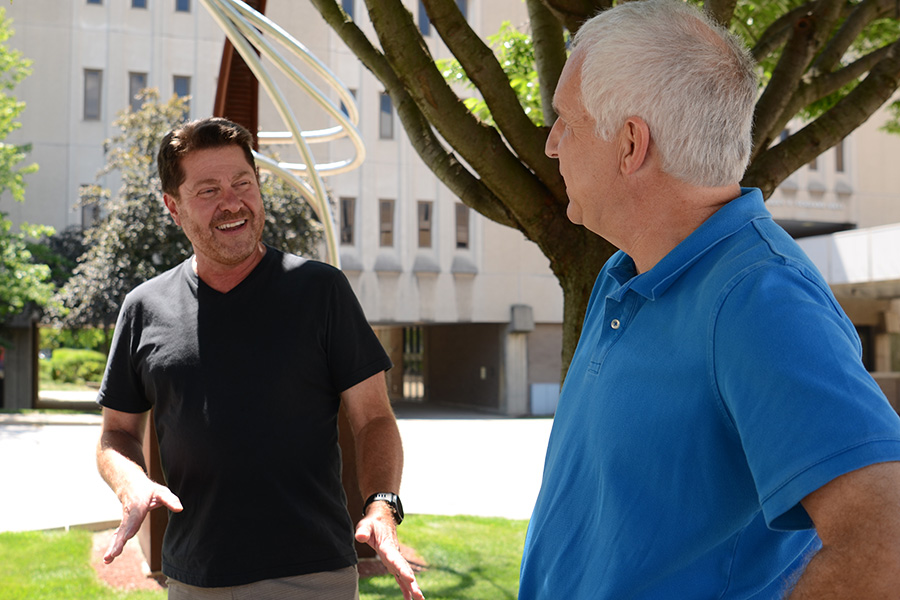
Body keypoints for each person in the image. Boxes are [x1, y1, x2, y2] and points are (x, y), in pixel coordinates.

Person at [519, 1, 900, 598]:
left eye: (566, 120)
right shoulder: (625, 272)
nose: (551, 144)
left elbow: (887, 544)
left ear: (630, 144)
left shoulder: (759, 300)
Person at [96, 117, 424, 600]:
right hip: (194, 579)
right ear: (174, 208)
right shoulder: (144, 308)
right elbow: (116, 433)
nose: (232, 202)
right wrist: (131, 482)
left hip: (314, 576)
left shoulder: (321, 290)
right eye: (208, 191)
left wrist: (381, 505)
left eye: (242, 183)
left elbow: (374, 419)